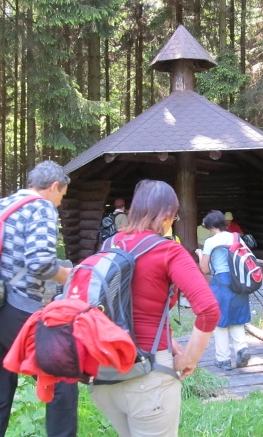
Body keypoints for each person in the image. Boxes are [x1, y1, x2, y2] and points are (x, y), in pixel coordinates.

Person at [90, 180, 220, 437]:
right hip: (148, 376)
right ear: (167, 216)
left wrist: (170, 340)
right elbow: (209, 310)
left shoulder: (109, 245)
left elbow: (118, 306)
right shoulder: (168, 251)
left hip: (104, 375)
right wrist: (188, 359)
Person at [0, 160, 78, 437]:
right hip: (16, 308)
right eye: (62, 196)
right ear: (54, 186)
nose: (59, 204)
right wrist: (67, 276)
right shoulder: (40, 207)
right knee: (62, 377)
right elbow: (40, 262)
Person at [195, 210, 251, 371]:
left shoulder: (210, 242)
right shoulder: (236, 237)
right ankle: (242, 348)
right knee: (237, 317)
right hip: (239, 281)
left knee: (219, 322)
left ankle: (223, 359)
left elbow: (205, 269)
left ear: (211, 226)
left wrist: (200, 254)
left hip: (221, 283)